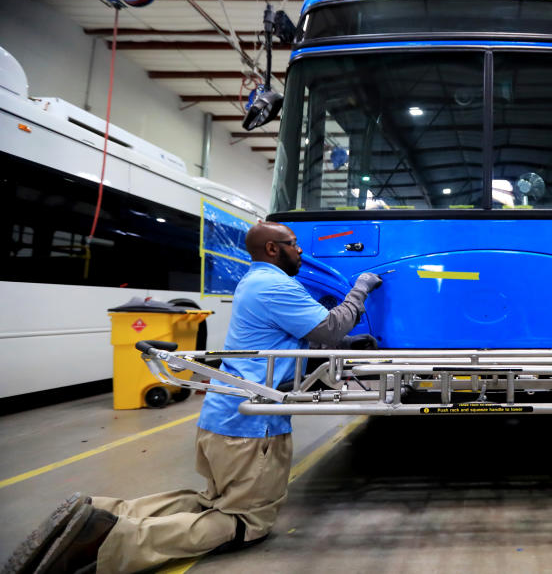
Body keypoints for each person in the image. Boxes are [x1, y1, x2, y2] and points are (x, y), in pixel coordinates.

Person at [5, 222, 384, 573]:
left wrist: (350, 344)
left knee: (211, 503)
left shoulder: (254, 282)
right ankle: (106, 543)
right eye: (293, 244)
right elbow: (331, 327)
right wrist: (361, 288)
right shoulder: (276, 286)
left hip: (223, 420)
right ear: (272, 248)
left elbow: (288, 335)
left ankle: (99, 513)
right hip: (253, 427)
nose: (301, 251)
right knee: (244, 522)